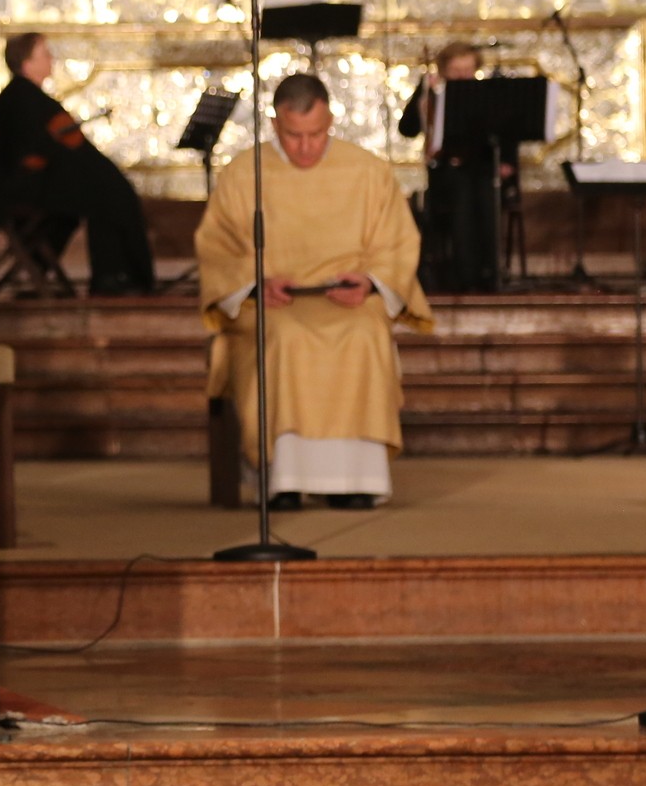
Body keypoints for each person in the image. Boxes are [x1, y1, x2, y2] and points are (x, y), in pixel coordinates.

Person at [197, 73, 431, 510]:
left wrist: (371, 280)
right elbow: (217, 245)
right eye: (294, 136)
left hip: (348, 298)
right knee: (287, 339)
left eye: (316, 135)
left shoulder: (366, 170)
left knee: (364, 335)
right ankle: (284, 479)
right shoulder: (245, 172)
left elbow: (397, 242)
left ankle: (357, 479)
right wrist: (254, 283)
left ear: (331, 122)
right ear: (274, 124)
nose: (306, 147)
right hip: (269, 301)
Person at [0, 32, 155, 295]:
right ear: (27, 64)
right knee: (106, 192)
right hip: (22, 190)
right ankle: (113, 277)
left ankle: (107, 274)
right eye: (44, 54)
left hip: (28, 185)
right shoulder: (23, 98)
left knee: (97, 193)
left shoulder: (23, 95)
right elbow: (42, 151)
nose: (52, 59)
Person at [398, 42, 508, 293]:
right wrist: (423, 99)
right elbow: (407, 129)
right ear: (445, 70)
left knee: (484, 190)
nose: (462, 77)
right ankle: (463, 275)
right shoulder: (431, 89)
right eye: (456, 71)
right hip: (445, 172)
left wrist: (506, 163)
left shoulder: (485, 93)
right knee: (461, 192)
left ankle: (488, 273)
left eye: (467, 71)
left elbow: (502, 132)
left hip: (479, 170)